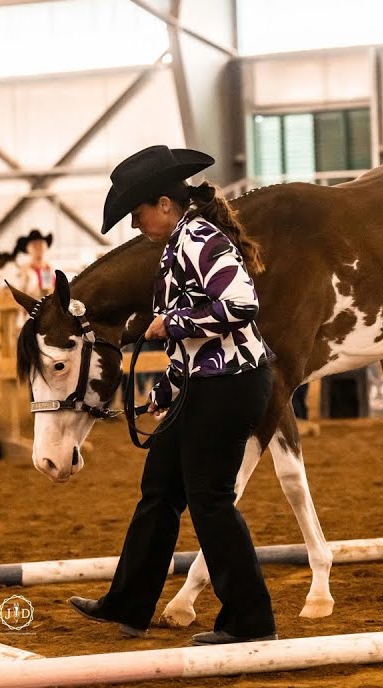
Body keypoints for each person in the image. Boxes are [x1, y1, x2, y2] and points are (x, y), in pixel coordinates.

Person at [67, 145, 278, 646]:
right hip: (207, 384)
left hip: (230, 384)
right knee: (159, 491)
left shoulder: (199, 239)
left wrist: (168, 324)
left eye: (136, 214)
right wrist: (168, 385)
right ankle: (130, 602)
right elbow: (196, 336)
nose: (135, 225)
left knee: (209, 499)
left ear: (164, 204)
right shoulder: (179, 243)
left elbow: (241, 305)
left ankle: (251, 619)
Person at [16, 229, 55, 300]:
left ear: (45, 247)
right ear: (28, 249)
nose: (38, 248)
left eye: (40, 245)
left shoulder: (51, 268)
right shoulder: (24, 270)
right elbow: (21, 294)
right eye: (34, 245)